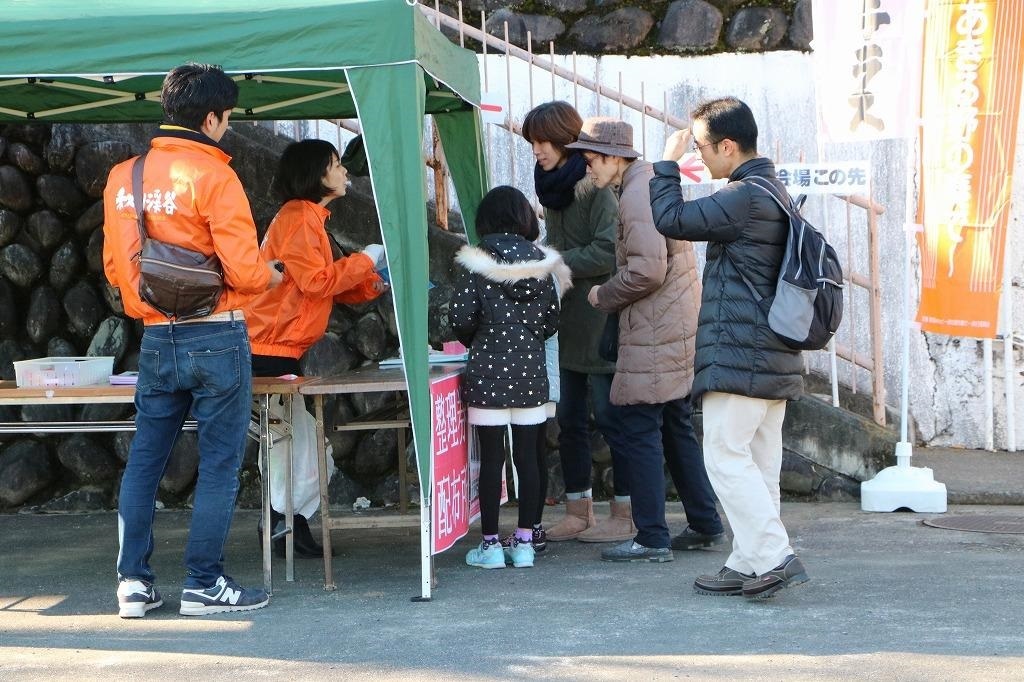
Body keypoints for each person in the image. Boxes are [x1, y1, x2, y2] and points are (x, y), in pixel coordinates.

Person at [103, 63, 284, 618]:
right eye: (226, 119)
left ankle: (133, 584)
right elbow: (246, 272)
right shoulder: (214, 176)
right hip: (218, 335)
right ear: (211, 117)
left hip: (157, 336)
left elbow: (116, 266)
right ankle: (204, 584)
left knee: (145, 462)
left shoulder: (123, 176)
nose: (226, 128)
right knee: (220, 463)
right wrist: (271, 275)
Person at [649, 97, 809, 598]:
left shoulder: (745, 196)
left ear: (728, 146)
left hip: (740, 351)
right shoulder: (773, 190)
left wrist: (667, 165)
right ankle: (747, 561)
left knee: (723, 455)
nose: (699, 154)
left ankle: (774, 556)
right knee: (758, 464)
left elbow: (671, 219)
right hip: (771, 350)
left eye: (701, 146)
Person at [566, 117, 725, 563]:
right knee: (675, 425)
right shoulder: (645, 182)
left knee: (637, 425)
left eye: (591, 159)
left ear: (616, 157)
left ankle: (652, 537)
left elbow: (648, 269)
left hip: (654, 328)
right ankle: (705, 522)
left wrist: (603, 295)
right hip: (672, 324)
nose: (587, 169)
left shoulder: (636, 193)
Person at [245, 139, 388, 558]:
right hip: (268, 348)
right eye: (336, 164)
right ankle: (281, 522)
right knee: (294, 440)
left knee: (295, 439)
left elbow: (323, 283)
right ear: (315, 175)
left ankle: (287, 522)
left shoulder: (304, 217)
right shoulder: (300, 219)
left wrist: (373, 280)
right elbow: (317, 283)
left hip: (274, 346)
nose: (344, 172)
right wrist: (367, 259)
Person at [521, 101, 635, 545]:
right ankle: (578, 511)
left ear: (567, 141)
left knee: (611, 417)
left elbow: (609, 250)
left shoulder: (600, 189)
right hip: (568, 322)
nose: (536, 150)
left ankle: (625, 513)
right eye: (532, 142)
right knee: (569, 420)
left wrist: (553, 264)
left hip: (601, 316)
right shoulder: (552, 187)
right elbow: (561, 244)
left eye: (543, 141)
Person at [450, 186, 570, 570]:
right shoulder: (543, 262)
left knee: (491, 461)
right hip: (531, 375)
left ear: (485, 219)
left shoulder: (476, 260)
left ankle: (489, 546)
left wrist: (478, 339)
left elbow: (461, 318)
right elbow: (552, 320)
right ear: (525, 219)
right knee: (528, 460)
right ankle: (523, 544)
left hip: (487, 374)